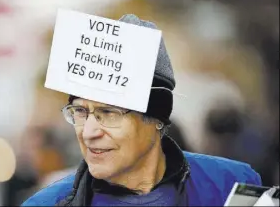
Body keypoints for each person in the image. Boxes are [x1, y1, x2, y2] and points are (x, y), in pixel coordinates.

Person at [22, 14, 262, 206]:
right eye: (80, 112)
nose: (88, 132)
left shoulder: (233, 186)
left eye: (108, 113)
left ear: (156, 119)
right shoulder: (48, 203)